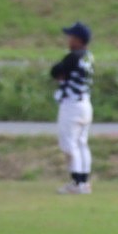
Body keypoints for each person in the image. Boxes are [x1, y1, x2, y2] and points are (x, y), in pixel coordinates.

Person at [51, 22, 95, 195]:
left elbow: (56, 71)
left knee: (69, 144)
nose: (68, 39)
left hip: (72, 104)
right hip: (85, 103)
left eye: (71, 36)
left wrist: (61, 74)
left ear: (78, 39)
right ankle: (84, 181)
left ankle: (76, 183)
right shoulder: (88, 56)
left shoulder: (73, 56)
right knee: (82, 143)